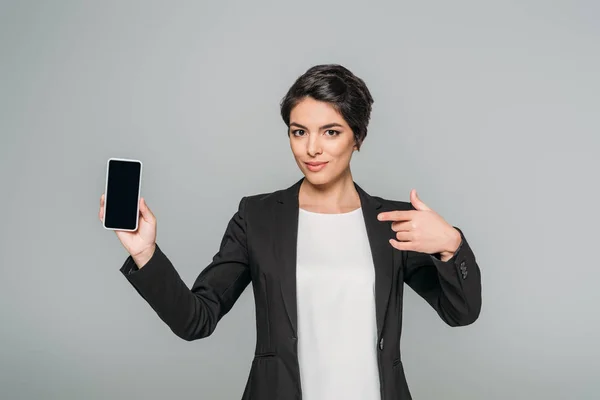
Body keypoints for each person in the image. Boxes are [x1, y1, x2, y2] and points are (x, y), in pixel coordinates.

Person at [98, 64, 482, 400]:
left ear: (358, 137)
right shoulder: (258, 217)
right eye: (299, 132)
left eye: (330, 132)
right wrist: (145, 254)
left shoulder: (394, 222)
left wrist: (451, 245)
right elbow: (195, 320)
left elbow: (460, 313)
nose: (312, 148)